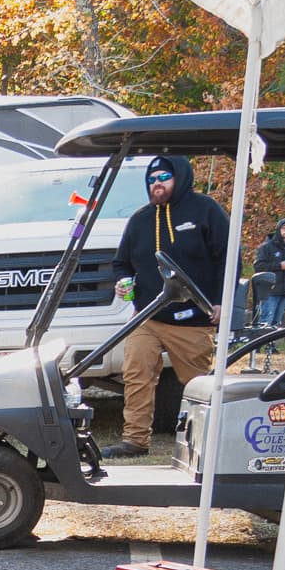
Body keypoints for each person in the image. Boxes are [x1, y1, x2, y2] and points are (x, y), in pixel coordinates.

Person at [102, 154, 229, 460]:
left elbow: (227, 257)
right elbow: (121, 263)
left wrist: (222, 301)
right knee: (136, 373)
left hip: (193, 319)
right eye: (151, 179)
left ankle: (209, 441)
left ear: (180, 177)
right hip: (147, 316)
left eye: (163, 178)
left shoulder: (206, 211)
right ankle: (134, 440)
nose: (156, 184)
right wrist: (122, 281)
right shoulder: (141, 220)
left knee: (198, 384)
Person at [254, 218, 285, 328]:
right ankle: (259, 343)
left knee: (277, 324)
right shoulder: (267, 246)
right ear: (278, 229)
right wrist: (279, 266)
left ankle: (271, 345)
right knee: (266, 321)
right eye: (284, 228)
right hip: (270, 291)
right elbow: (259, 266)